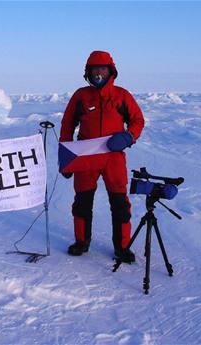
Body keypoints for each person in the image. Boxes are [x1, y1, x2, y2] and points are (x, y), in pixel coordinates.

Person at [60, 51, 145, 262]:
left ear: (111, 71)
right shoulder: (80, 96)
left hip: (113, 158)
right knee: (82, 201)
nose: (98, 72)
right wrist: (65, 157)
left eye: (102, 68)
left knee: (119, 203)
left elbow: (137, 121)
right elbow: (67, 125)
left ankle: (122, 247)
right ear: (88, 72)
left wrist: (128, 137)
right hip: (85, 157)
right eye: (94, 69)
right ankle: (81, 242)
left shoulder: (122, 96)